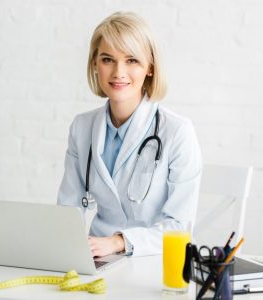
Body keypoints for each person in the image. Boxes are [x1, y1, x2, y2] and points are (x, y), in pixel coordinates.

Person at [57, 11, 202, 257]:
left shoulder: (177, 132)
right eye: (107, 59)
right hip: (96, 258)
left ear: (150, 68)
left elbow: (180, 227)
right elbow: (68, 211)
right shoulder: (81, 128)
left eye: (132, 60)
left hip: (154, 262)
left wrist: (118, 242)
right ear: (94, 64)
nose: (118, 72)